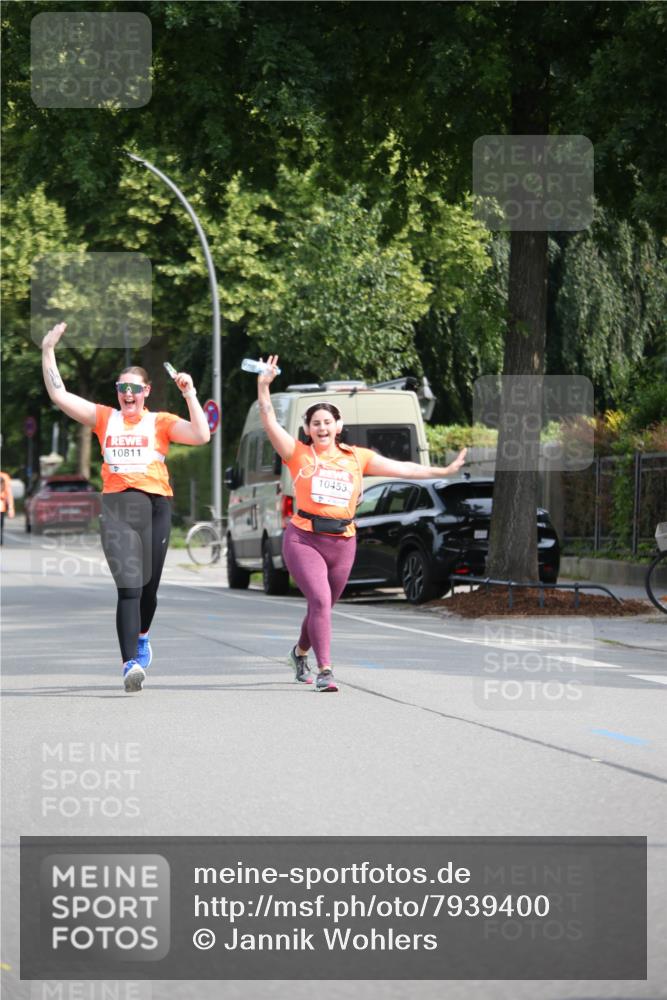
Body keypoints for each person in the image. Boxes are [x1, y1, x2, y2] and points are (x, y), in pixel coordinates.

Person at [257, 354, 467, 692]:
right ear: (308, 430)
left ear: (338, 426)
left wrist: (442, 472)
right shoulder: (298, 454)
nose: (322, 428)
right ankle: (326, 670)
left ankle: (300, 653)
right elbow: (269, 422)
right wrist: (263, 386)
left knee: (322, 606)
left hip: (343, 542)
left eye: (328, 422)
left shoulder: (358, 458)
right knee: (321, 602)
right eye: (315, 423)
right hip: (303, 538)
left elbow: (405, 468)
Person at [41, 321, 210, 692]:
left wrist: (190, 394)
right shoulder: (105, 418)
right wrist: (48, 350)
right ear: (117, 392)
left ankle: (143, 635)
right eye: (122, 389)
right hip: (118, 508)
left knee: (149, 590)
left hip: (156, 508)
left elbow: (201, 435)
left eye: (135, 389)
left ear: (146, 391)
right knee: (129, 588)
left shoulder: (160, 422)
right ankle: (128, 663)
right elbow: (59, 395)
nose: (128, 395)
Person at [0, 470, 16, 546]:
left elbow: (8, 493)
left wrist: (10, 508)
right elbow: (9, 493)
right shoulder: (4, 476)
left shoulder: (4, 476)